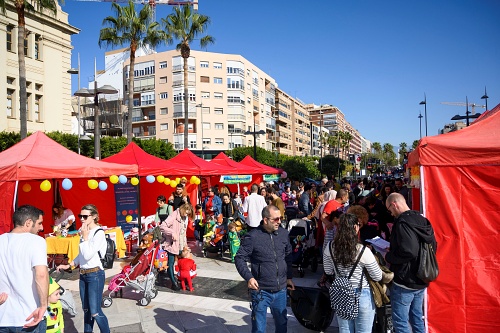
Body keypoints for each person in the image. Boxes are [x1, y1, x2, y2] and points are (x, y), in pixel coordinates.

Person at [235, 205, 295, 333]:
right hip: (261, 291)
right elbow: (239, 258)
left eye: (280, 218)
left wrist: (289, 277)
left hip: (281, 290)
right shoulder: (253, 236)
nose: (279, 221)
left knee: (282, 324)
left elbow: (288, 257)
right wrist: (249, 277)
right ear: (265, 220)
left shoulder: (283, 234)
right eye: (276, 219)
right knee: (259, 328)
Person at [385, 193, 437, 333]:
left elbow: (409, 251)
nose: (391, 213)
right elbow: (433, 246)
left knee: (401, 322)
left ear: (394, 204)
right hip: (421, 278)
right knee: (416, 318)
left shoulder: (402, 223)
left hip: (405, 280)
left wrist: (390, 256)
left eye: (389, 210)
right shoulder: (422, 220)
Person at [323, 213, 382, 333]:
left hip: (341, 293)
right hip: (361, 293)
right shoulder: (363, 251)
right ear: (356, 227)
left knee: (345, 330)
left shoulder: (330, 247)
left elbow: (328, 271)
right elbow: (377, 275)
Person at [56, 204, 110, 333]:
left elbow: (88, 254)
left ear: (94, 216)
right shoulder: (84, 231)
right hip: (84, 274)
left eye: (85, 216)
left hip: (95, 274)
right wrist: (69, 265)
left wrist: (85, 237)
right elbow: (81, 255)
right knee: (86, 310)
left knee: (95, 312)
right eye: (80, 216)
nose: (82, 219)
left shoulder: (99, 233)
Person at [0, 205, 48, 332]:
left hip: (3, 318)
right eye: (39, 223)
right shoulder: (36, 241)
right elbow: (41, 274)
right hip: (30, 316)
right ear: (28, 223)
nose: (41, 228)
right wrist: (44, 305)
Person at [160, 203, 195, 291]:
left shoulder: (184, 217)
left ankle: (182, 278)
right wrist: (172, 232)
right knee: (170, 263)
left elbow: (183, 232)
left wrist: (185, 244)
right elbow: (162, 226)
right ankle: (173, 282)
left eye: (188, 214)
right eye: (186, 213)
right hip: (172, 244)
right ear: (183, 210)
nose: (186, 215)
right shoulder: (174, 215)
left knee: (183, 262)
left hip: (181, 244)